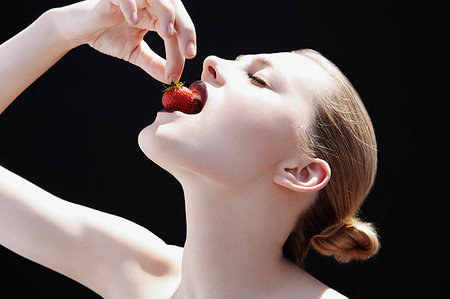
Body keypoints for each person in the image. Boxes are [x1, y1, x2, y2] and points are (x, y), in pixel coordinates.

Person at [0, 0, 379, 298]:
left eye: (258, 80)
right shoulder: (136, 271)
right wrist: (60, 28)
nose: (212, 62)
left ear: (301, 172)